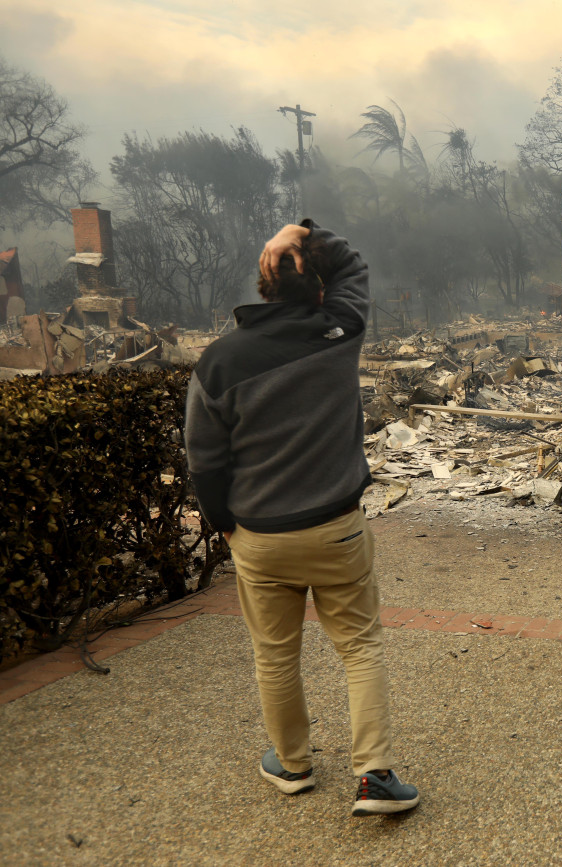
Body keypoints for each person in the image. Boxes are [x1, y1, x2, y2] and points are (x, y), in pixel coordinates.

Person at [184, 220, 418, 817]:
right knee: (360, 647)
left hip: (259, 536)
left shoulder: (218, 361)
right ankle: (374, 779)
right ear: (317, 291)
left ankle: (292, 766)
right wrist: (304, 233)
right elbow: (353, 266)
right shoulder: (338, 331)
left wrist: (226, 526)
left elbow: (204, 461)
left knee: (275, 655)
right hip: (337, 528)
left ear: (262, 291)